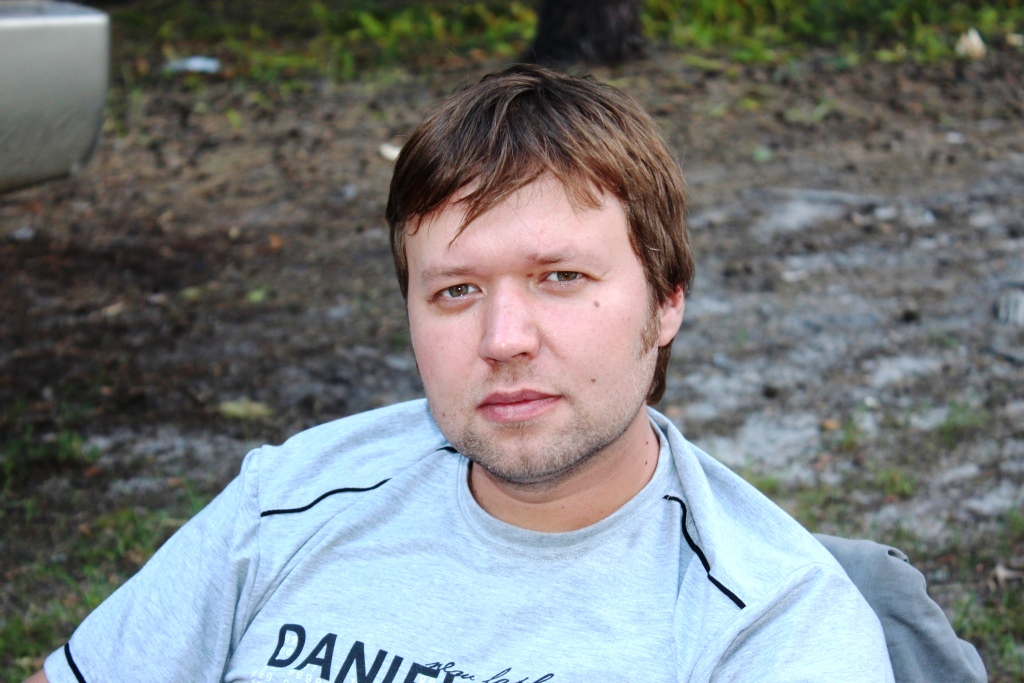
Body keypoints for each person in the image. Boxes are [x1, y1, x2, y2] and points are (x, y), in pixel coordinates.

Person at [30, 65, 896, 683]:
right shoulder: (289, 496)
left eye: (561, 276)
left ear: (667, 300)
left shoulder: (773, 625)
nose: (503, 338)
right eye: (456, 290)